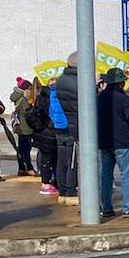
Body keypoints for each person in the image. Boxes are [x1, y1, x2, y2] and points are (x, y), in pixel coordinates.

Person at [96, 68, 129, 218]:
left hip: (104, 141)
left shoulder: (100, 98)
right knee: (127, 175)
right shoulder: (124, 99)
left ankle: (106, 207)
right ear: (121, 83)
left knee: (106, 175)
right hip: (122, 142)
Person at [54, 53, 82, 205]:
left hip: (59, 127)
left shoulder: (60, 82)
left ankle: (63, 191)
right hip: (72, 126)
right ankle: (71, 191)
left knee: (62, 161)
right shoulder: (78, 82)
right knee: (73, 162)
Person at [28, 80, 59, 196]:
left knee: (47, 158)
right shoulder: (52, 96)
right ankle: (46, 184)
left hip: (42, 132)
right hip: (50, 131)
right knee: (51, 159)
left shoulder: (41, 96)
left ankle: (47, 183)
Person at [10, 78, 37, 177]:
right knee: (26, 149)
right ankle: (28, 168)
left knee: (21, 149)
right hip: (26, 128)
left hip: (20, 127)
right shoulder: (24, 98)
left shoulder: (17, 97)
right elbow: (27, 112)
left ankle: (21, 168)